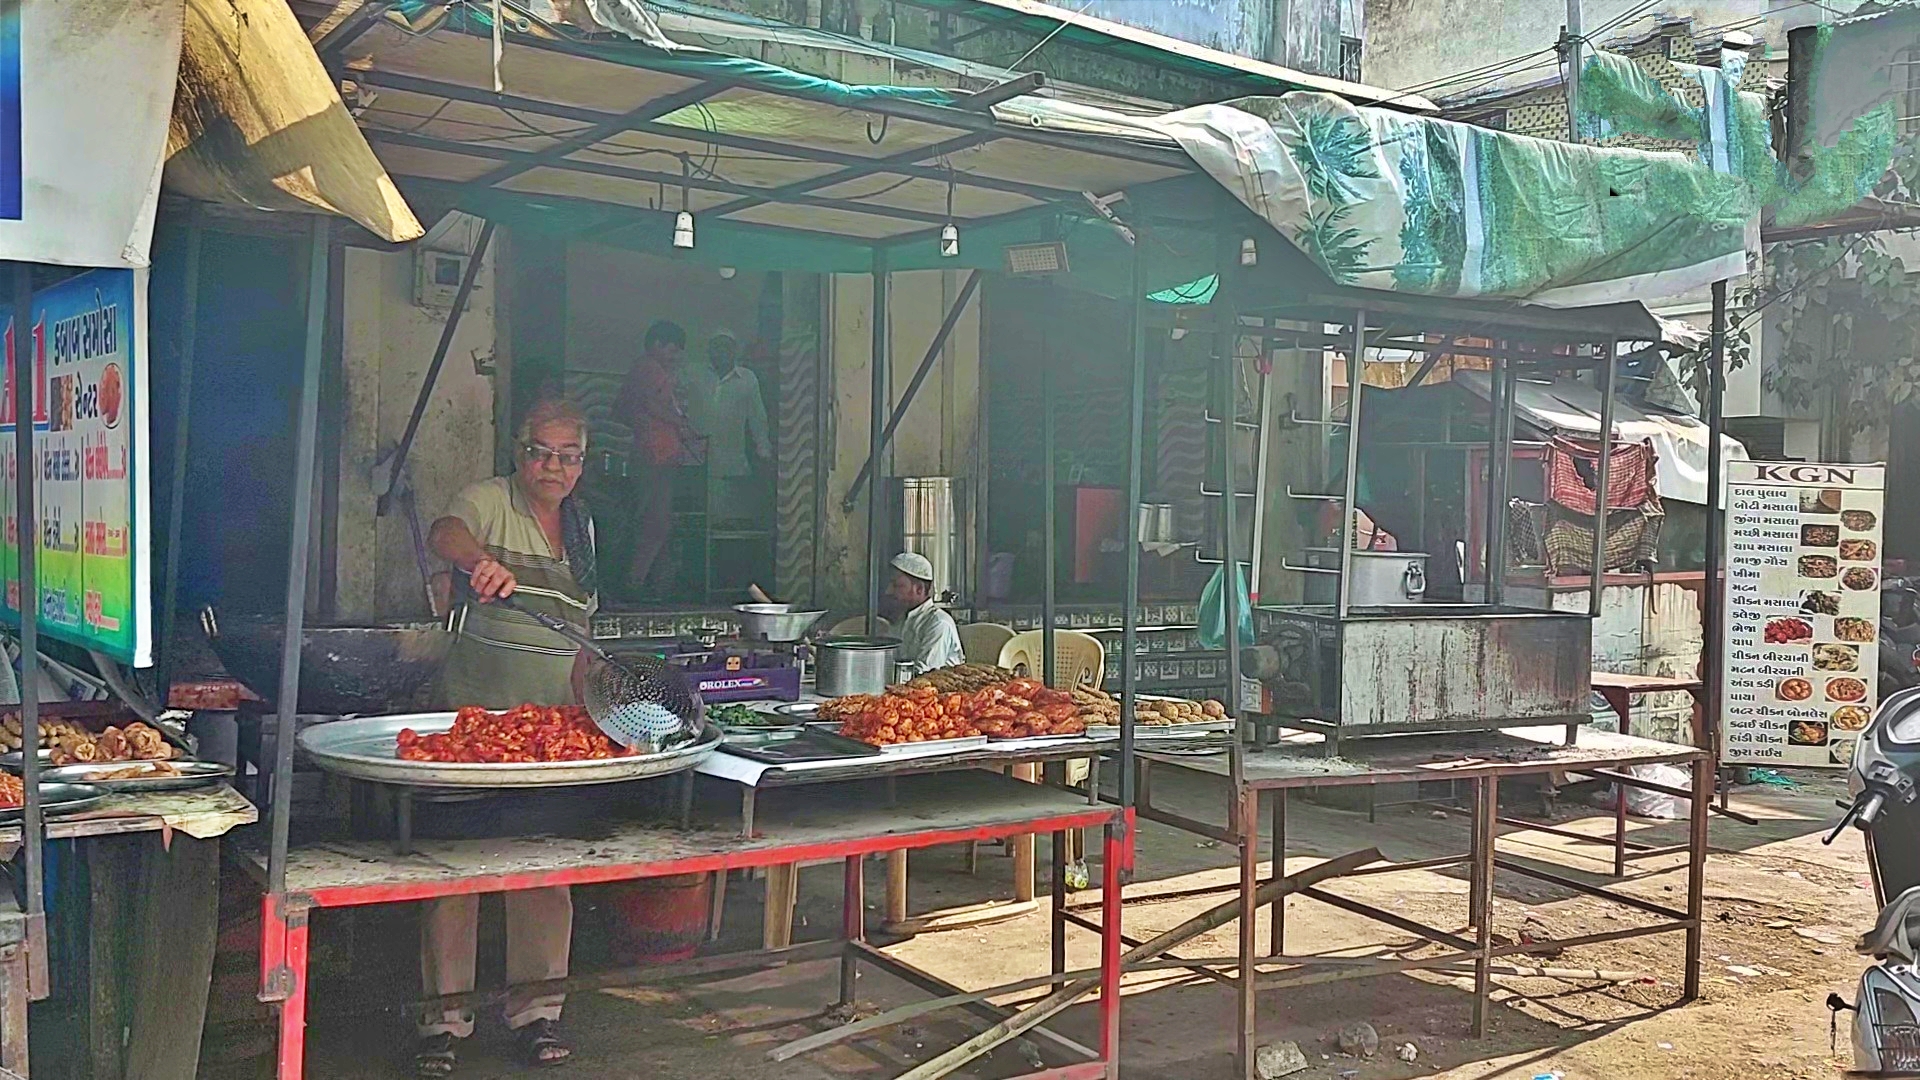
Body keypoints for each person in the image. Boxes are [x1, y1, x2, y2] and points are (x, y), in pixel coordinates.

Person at [418, 399, 597, 1075]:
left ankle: (537, 1014)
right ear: (519, 453)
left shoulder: (582, 528)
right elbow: (445, 532)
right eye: (541, 452)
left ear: (582, 463)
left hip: (549, 733)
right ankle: (444, 1021)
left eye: (568, 456)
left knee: (544, 872)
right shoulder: (490, 501)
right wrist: (480, 562)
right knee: (455, 874)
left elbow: (580, 628)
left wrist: (589, 715)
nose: (553, 467)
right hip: (473, 726)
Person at [615, 320, 697, 597]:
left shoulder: (643, 370)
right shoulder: (649, 368)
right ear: (657, 344)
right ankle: (633, 584)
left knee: (655, 520)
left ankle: (658, 585)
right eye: (673, 350)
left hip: (651, 454)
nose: (675, 358)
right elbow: (653, 404)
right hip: (656, 456)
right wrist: (681, 424)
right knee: (656, 522)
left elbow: (622, 409)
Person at [699, 330, 771, 522]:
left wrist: (763, 449)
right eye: (716, 346)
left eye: (726, 346)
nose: (721, 351)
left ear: (734, 351)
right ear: (709, 351)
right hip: (696, 461)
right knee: (699, 519)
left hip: (733, 461)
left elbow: (757, 417)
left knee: (730, 521)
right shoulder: (695, 374)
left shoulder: (747, 379)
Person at [882, 552, 963, 675]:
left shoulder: (939, 623)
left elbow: (925, 675)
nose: (888, 591)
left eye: (896, 585)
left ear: (919, 589)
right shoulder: (902, 618)